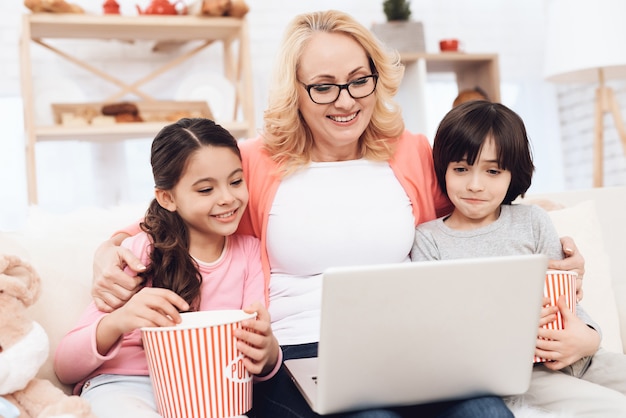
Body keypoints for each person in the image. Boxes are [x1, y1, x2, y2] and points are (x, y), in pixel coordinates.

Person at [89, 10, 585, 418]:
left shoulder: (409, 152)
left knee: (487, 413)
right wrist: (108, 249)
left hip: (410, 348)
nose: (346, 101)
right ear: (296, 92)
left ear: (377, 77)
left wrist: (549, 234)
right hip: (299, 355)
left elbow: (474, 207)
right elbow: (173, 213)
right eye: (323, 87)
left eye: (358, 81)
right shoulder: (256, 162)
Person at [411, 100, 626, 417]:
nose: (475, 184)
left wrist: (590, 338)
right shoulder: (429, 239)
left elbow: (566, 298)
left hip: (584, 356)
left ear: (513, 174)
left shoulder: (533, 221)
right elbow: (444, 331)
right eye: (460, 169)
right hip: (528, 372)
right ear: (442, 168)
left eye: (493, 171)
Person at [54, 118, 281, 418]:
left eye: (236, 181)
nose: (227, 198)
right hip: (125, 386)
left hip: (207, 392)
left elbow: (257, 348)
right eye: (205, 190)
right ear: (167, 198)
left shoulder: (250, 253)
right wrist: (121, 319)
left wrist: (268, 353)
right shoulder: (142, 252)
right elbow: (64, 366)